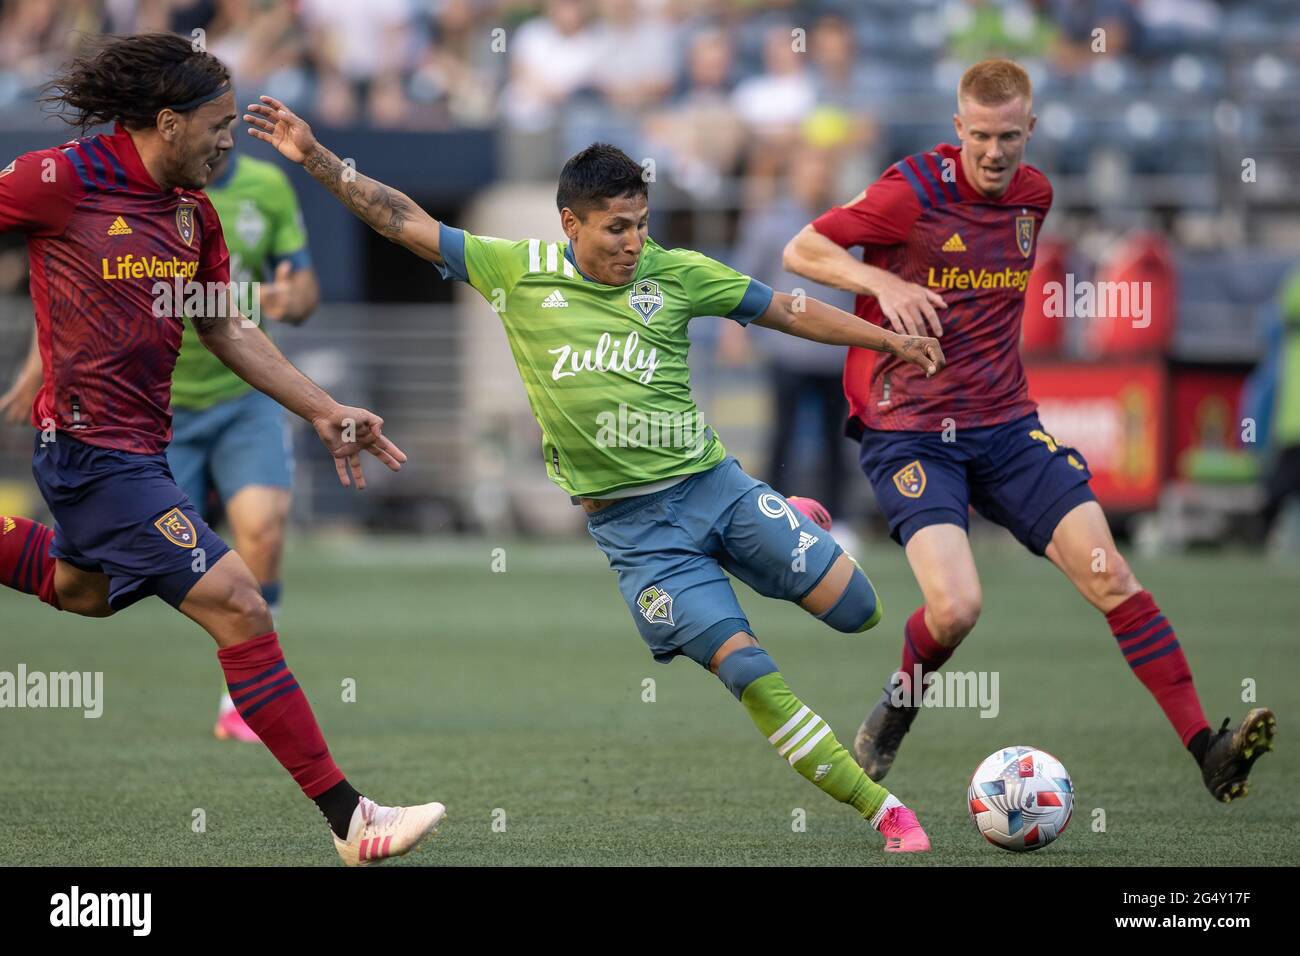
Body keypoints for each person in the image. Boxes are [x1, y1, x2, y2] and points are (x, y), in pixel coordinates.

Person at [246, 93, 945, 852]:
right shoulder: (514, 270)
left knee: (861, 612)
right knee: (749, 672)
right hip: (639, 536)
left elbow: (790, 311)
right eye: (617, 227)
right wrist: (317, 157)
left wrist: (886, 342)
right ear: (570, 224)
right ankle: (885, 811)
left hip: (718, 488)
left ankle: (792, 515)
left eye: (642, 224)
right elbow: (396, 219)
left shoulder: (677, 275)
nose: (634, 243)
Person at [0, 33, 440, 865]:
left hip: (140, 452)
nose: (230, 139)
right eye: (220, 123)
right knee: (240, 603)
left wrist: (321, 408)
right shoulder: (59, 181)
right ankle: (353, 820)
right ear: (168, 123)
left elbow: (227, 326)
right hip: (89, 450)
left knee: (83, 590)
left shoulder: (193, 217)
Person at [783, 58, 1274, 804]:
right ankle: (901, 703)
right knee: (957, 609)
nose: (993, 152)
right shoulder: (909, 191)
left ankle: (1209, 749)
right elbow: (802, 250)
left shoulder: (1034, 198)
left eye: (1008, 136)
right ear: (958, 129)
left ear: (1030, 131)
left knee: (1112, 575)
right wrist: (883, 282)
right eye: (979, 135)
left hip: (1007, 425)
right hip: (910, 429)